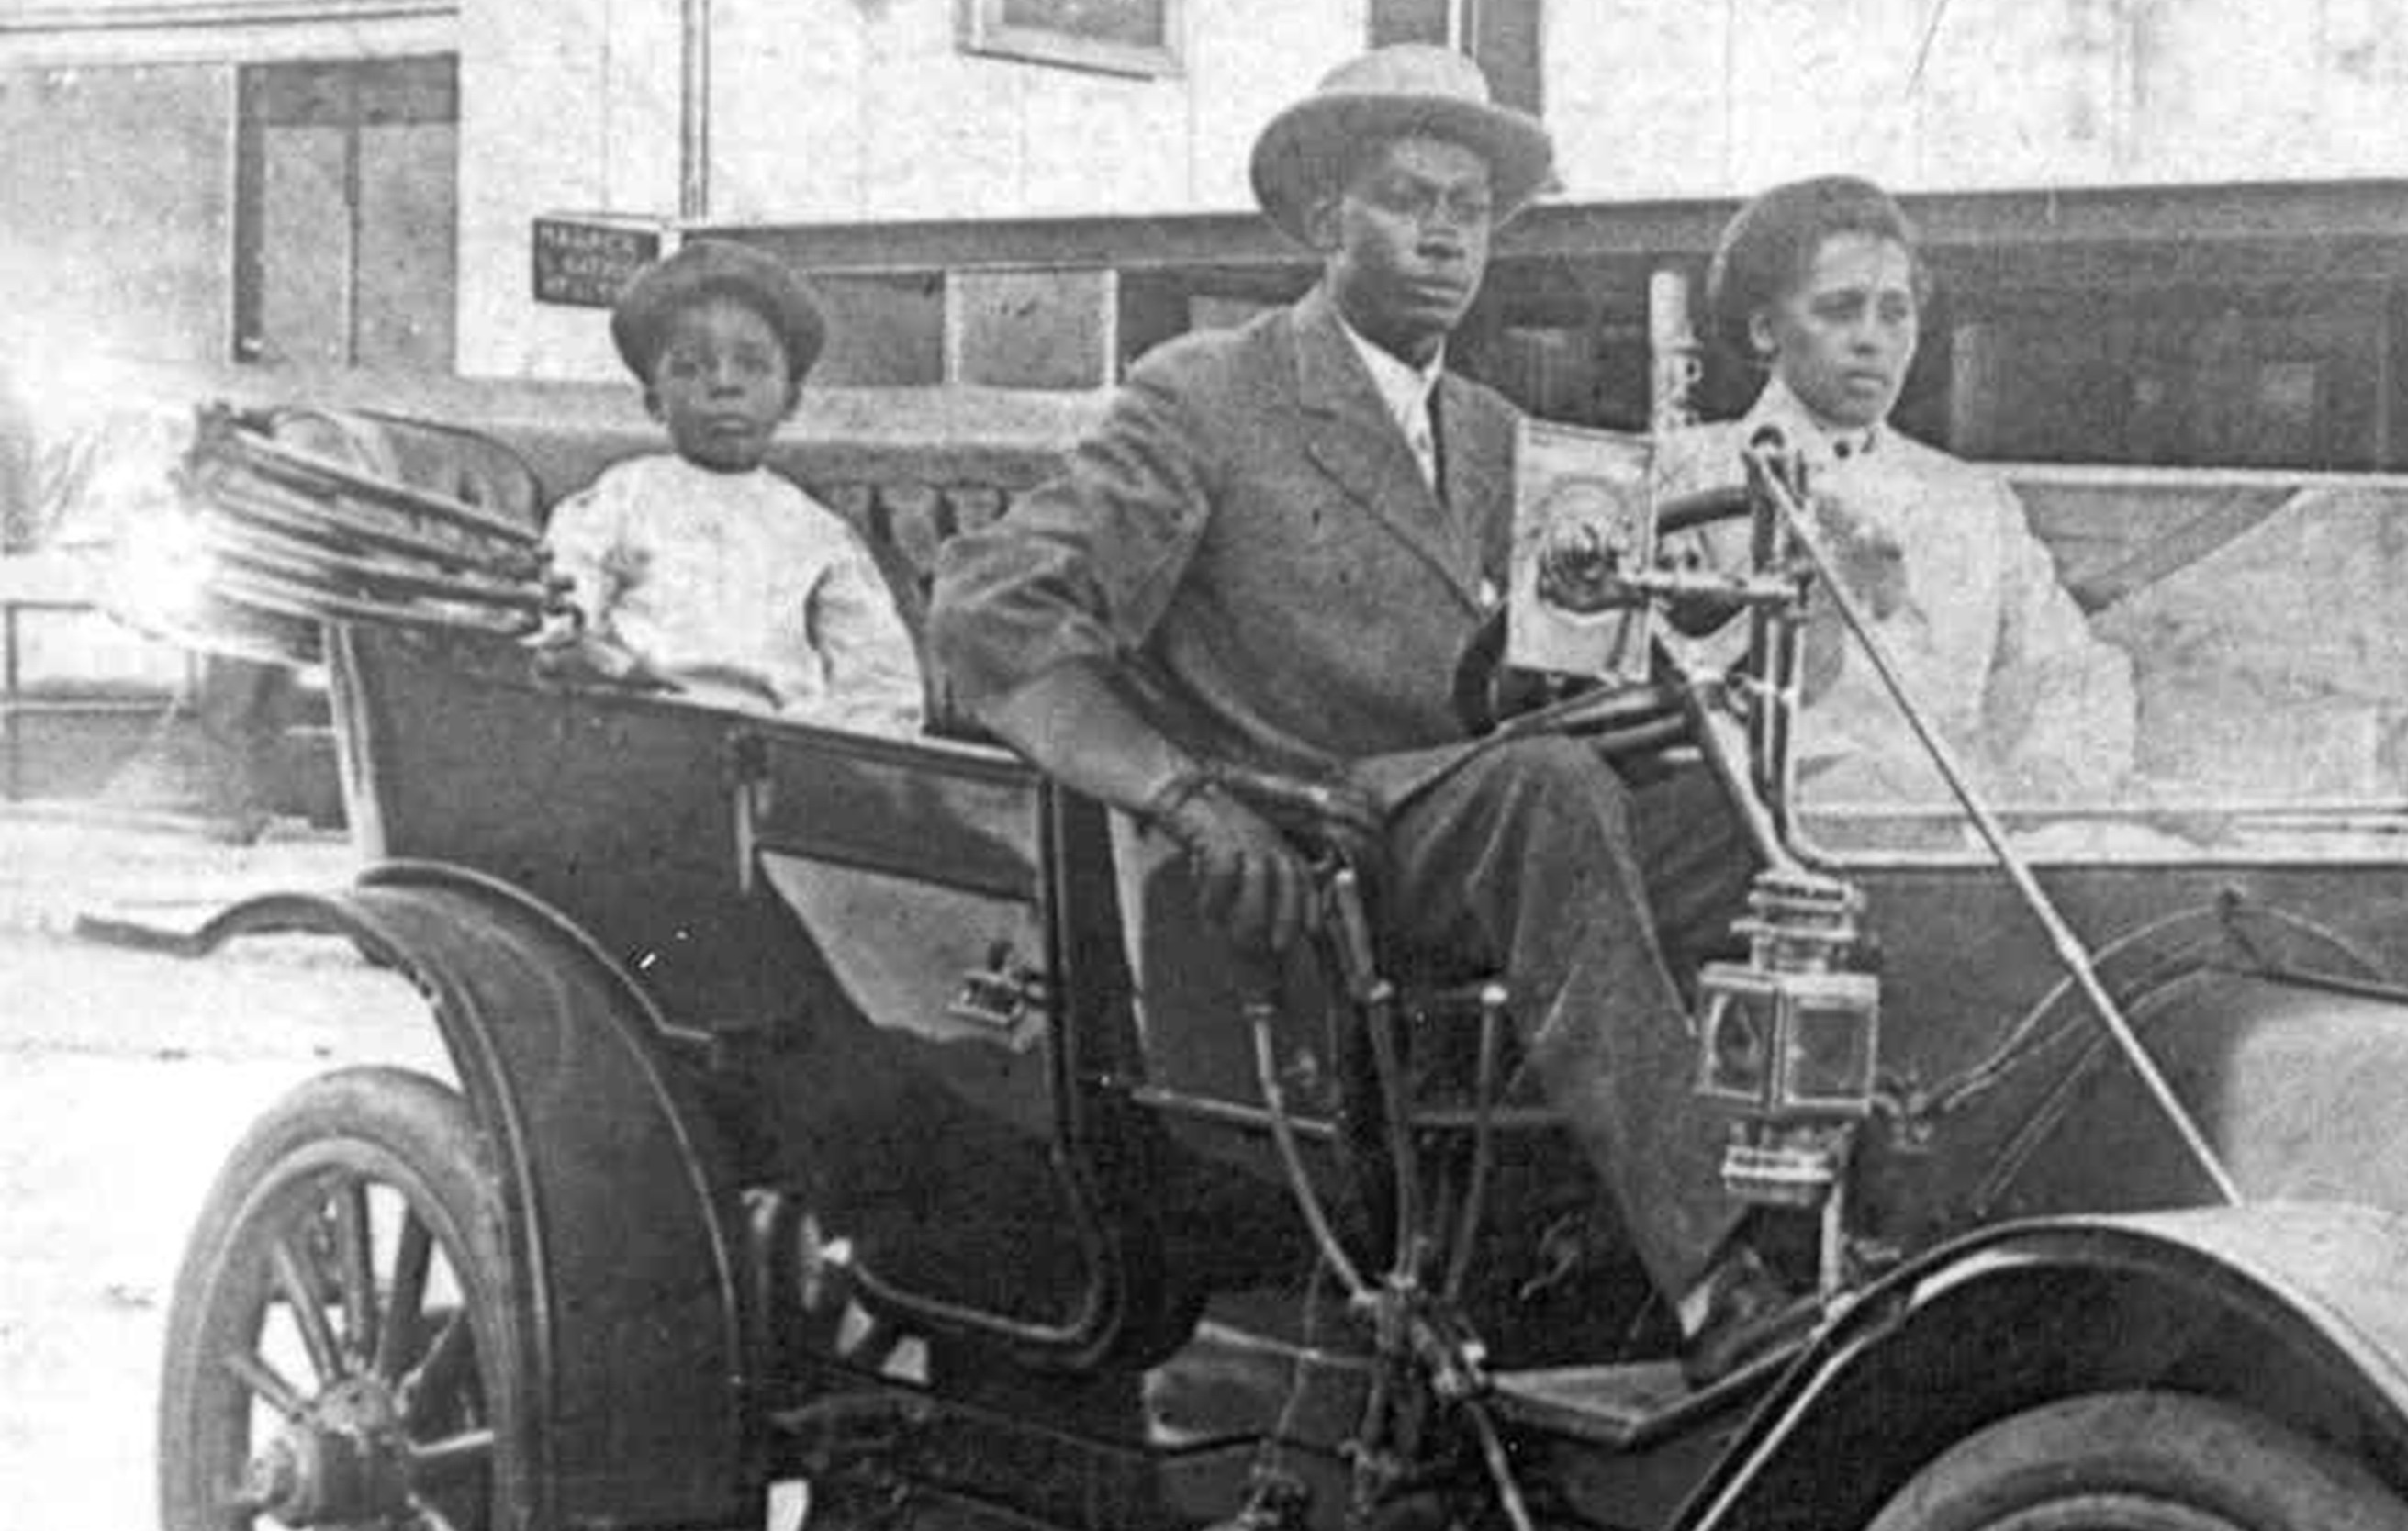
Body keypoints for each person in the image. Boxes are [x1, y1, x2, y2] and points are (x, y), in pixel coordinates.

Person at [926, 46, 1797, 1377]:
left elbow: (1529, 668)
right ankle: (1712, 1280)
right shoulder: (1207, 393)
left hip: (1471, 831)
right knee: (1551, 789)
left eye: (1472, 207)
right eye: (1410, 197)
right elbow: (994, 609)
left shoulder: (1506, 435)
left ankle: (1799, 1217)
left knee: (1753, 823)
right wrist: (1188, 796)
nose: (1449, 232)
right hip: (1321, 849)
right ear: (1326, 217)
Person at [1656, 174, 2134, 809]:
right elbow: (1665, 701)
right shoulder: (1685, 477)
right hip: (1763, 842)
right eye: (1839, 308)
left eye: (1894, 311)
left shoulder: (1975, 503)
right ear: (1766, 329)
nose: (1871, 339)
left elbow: (2067, 673)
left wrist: (2037, 789)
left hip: (1962, 850)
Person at [539, 239, 924, 728]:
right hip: (639, 724)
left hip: (780, 751)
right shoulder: (624, 496)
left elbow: (880, 679)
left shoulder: (816, 532)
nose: (724, 384)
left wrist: (850, 762)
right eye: (690, 367)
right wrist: (576, 639)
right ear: (654, 401)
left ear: (791, 400)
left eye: (753, 365)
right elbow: (572, 583)